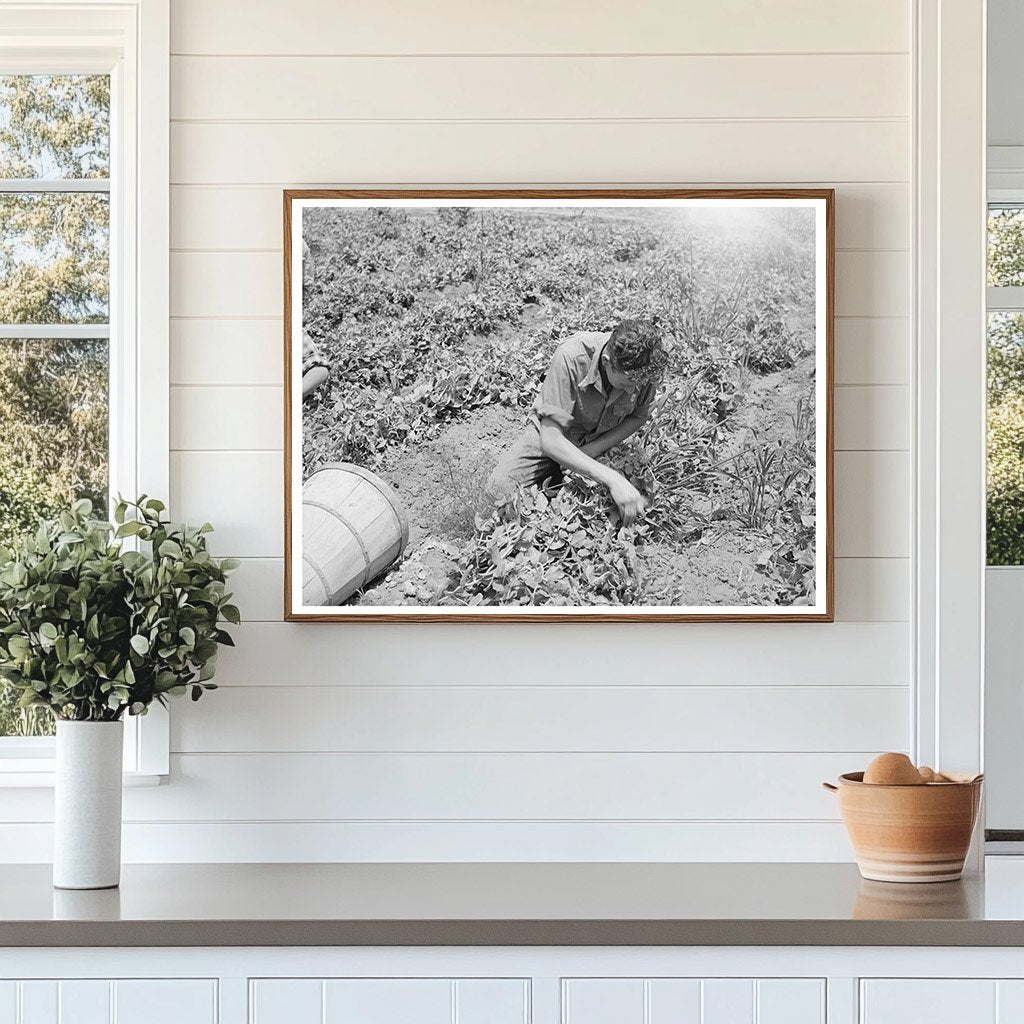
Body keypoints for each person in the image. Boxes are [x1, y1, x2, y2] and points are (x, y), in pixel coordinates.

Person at [487, 319, 668, 526]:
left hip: (599, 438)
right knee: (498, 490)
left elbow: (638, 415)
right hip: (556, 434)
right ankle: (556, 473)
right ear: (608, 362)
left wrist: (594, 449)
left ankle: (559, 478)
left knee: (601, 515)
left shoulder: (642, 370)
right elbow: (551, 439)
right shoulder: (572, 356)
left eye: (639, 384)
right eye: (627, 383)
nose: (632, 390)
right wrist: (612, 478)